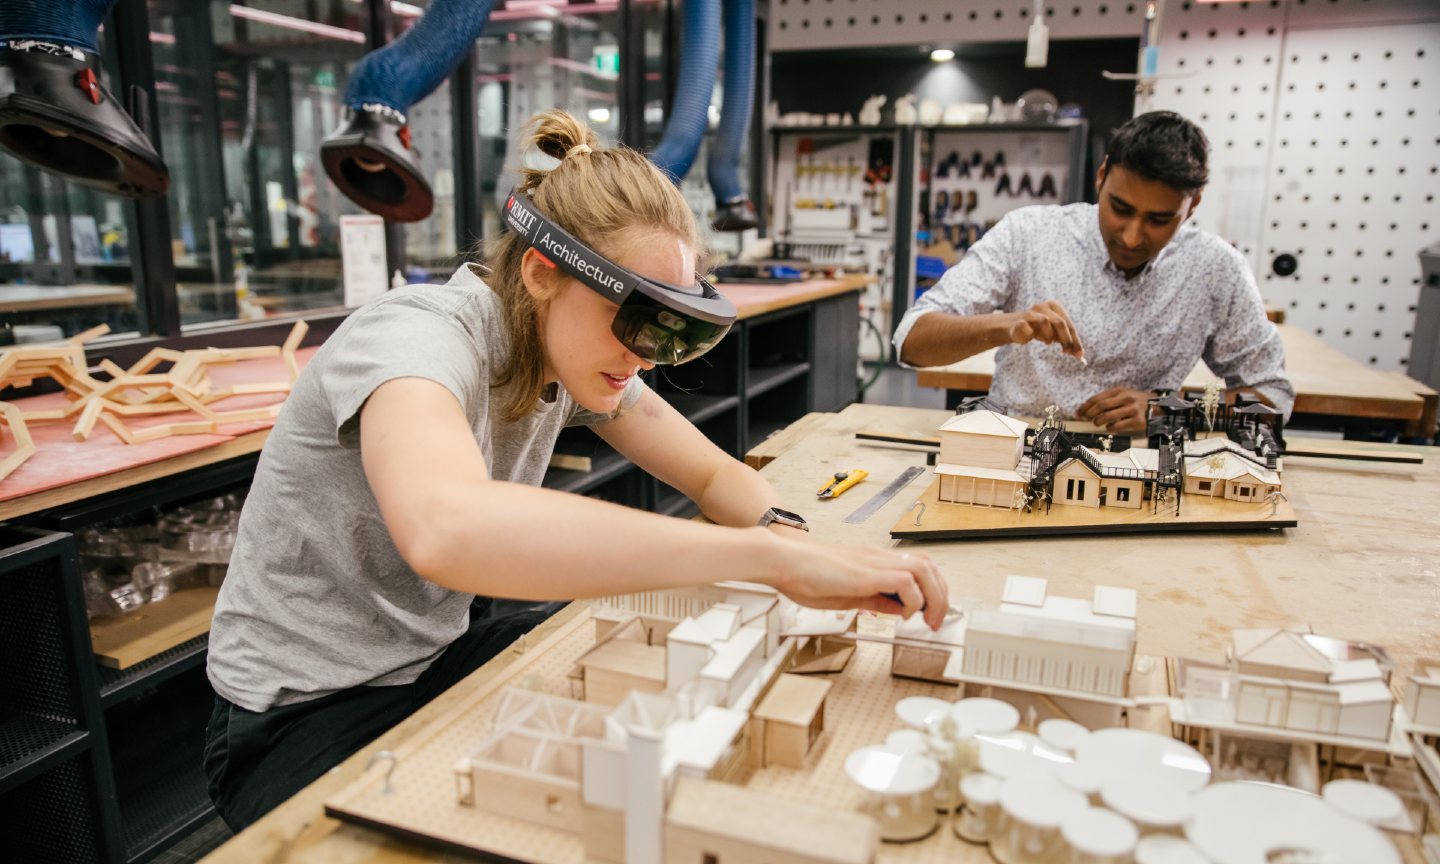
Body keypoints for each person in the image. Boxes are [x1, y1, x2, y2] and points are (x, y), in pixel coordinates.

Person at [202, 110, 947, 832]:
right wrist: (769, 560)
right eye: (634, 319)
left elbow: (717, 481)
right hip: (298, 709)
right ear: (540, 273)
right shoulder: (415, 342)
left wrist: (801, 543)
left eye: (668, 328)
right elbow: (445, 529)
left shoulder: (570, 355)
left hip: (434, 655)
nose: (645, 353)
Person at [894, 111, 1293, 434]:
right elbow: (912, 342)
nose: (1133, 236)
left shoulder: (1216, 268)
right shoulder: (1028, 233)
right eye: (1120, 208)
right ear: (1101, 177)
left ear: (1193, 205)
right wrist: (1006, 325)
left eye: (1159, 219)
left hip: (1138, 467)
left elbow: (1273, 398)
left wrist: (1170, 411)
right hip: (1013, 448)